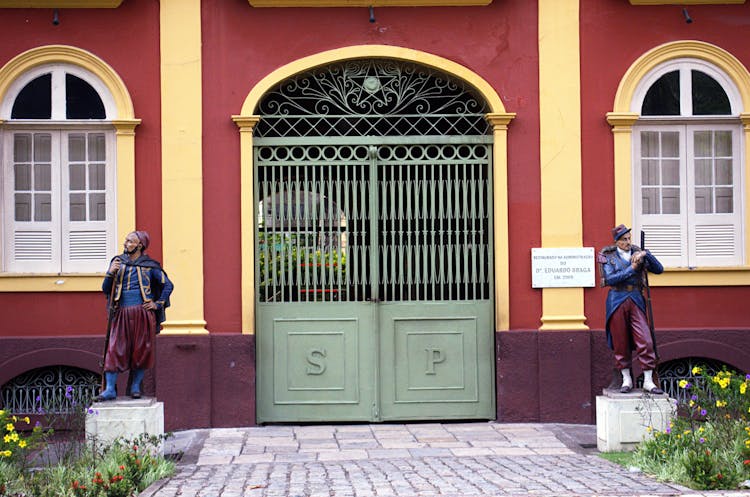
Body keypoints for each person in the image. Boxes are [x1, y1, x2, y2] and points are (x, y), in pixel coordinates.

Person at [96, 231, 173, 401]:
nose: (126, 243)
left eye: (130, 241)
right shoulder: (117, 262)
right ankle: (109, 389)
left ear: (139, 245)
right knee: (114, 349)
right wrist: (110, 273)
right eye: (126, 240)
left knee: (141, 350)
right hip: (121, 312)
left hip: (142, 313)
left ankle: (135, 387)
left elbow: (168, 285)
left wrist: (157, 303)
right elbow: (105, 288)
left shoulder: (150, 266)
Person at [598, 224, 664, 394]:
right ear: (617, 242)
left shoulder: (637, 253)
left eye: (629, 238)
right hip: (617, 299)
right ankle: (626, 379)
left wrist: (646, 254)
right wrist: (632, 269)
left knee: (645, 339)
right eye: (624, 240)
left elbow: (659, 269)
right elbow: (610, 279)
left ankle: (648, 380)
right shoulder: (607, 256)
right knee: (620, 342)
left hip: (635, 298)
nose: (628, 242)